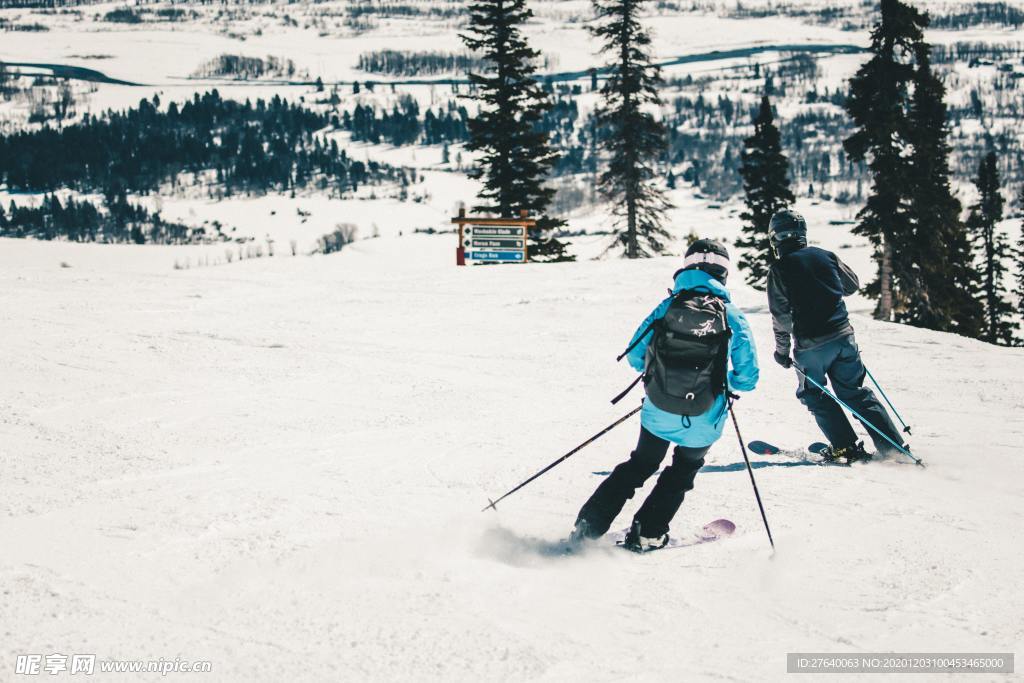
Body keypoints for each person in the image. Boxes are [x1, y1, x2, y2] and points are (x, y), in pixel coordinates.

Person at [570, 239, 759, 551]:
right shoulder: (731, 314)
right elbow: (747, 378)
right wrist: (723, 382)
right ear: (724, 273)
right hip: (705, 414)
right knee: (681, 472)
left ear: (686, 268)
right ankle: (647, 532)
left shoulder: (667, 307)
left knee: (640, 464)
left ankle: (589, 525)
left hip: (658, 408)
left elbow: (634, 357)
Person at [766, 209, 908, 463]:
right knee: (854, 392)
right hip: (843, 337)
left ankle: (846, 447)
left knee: (813, 393)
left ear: (775, 237)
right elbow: (851, 286)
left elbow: (781, 318)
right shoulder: (825, 256)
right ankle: (894, 448)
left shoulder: (779, 269)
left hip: (811, 346)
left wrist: (782, 352)